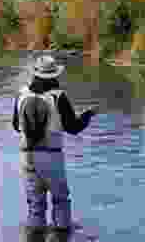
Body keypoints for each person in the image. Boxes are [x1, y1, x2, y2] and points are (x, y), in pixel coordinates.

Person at [13, 55, 99, 232]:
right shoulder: (58, 97)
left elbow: (16, 126)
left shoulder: (21, 94)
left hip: (26, 156)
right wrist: (88, 115)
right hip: (51, 156)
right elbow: (74, 128)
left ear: (35, 74)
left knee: (35, 203)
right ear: (54, 76)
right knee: (60, 200)